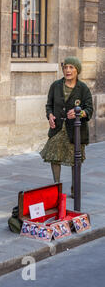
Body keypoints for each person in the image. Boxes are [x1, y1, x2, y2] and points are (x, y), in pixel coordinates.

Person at [40, 56, 94, 198]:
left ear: (77, 70)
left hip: (75, 131)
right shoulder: (55, 85)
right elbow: (49, 105)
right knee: (54, 156)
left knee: (74, 160)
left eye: (71, 67)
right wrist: (50, 116)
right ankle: (56, 187)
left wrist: (79, 113)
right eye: (65, 67)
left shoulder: (83, 89)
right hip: (58, 128)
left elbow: (89, 109)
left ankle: (74, 188)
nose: (68, 70)